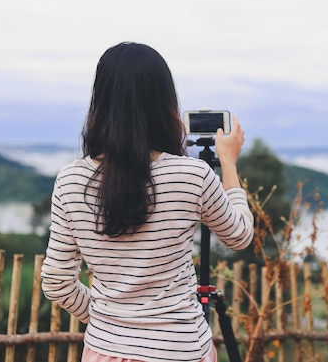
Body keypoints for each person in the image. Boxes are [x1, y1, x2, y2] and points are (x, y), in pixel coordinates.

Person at [41, 42, 254, 362]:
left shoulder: (70, 180)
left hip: (104, 352)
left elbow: (57, 282)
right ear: (164, 102)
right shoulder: (192, 175)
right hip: (181, 351)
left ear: (100, 102)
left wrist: (107, 321)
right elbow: (239, 235)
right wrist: (229, 163)